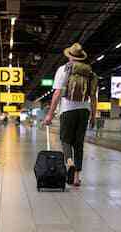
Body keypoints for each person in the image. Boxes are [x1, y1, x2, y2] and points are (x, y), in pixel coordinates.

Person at [44, 43, 98, 186]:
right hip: (84, 111)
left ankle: (69, 162)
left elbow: (57, 93)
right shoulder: (90, 73)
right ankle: (76, 178)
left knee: (65, 140)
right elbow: (93, 96)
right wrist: (93, 115)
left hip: (67, 110)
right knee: (78, 144)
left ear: (70, 57)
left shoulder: (63, 70)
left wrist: (50, 114)